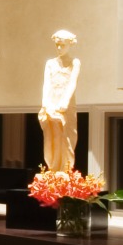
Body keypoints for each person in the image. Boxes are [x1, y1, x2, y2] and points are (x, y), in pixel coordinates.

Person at [39, 30, 81, 174]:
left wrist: (64, 102)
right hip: (52, 101)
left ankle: (66, 168)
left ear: (69, 44)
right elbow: (47, 84)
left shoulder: (75, 62)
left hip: (66, 104)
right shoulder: (50, 63)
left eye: (62, 45)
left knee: (67, 137)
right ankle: (54, 167)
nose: (59, 48)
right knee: (53, 135)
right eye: (57, 45)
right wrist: (45, 104)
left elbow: (72, 83)